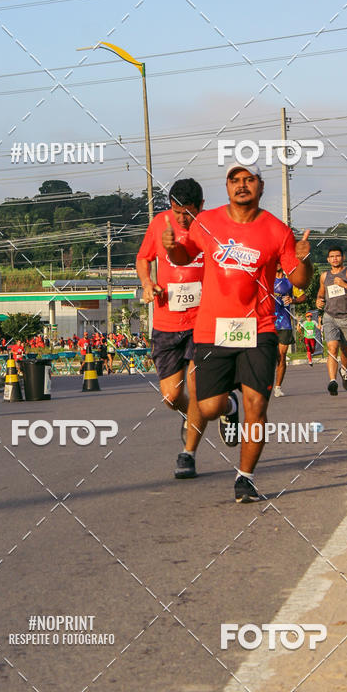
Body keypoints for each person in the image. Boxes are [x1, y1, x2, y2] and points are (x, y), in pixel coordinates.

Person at [162, 162, 312, 502]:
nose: (241, 185)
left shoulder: (277, 231)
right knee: (210, 406)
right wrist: (172, 248)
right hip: (213, 330)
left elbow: (300, 282)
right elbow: (186, 255)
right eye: (235, 180)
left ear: (260, 186)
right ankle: (228, 407)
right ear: (227, 187)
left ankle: (245, 478)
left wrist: (304, 259)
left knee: (257, 404)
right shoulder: (208, 221)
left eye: (249, 180)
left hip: (259, 328)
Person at [136, 178, 239, 481]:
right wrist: (146, 283)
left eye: (189, 212)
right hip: (166, 324)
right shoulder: (159, 224)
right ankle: (228, 405)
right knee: (171, 397)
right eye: (177, 211)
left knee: (198, 391)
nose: (183, 218)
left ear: (201, 207)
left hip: (202, 322)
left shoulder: (211, 227)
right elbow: (143, 258)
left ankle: (188, 454)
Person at [316, 246, 347, 396]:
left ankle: (344, 370)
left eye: (338, 256)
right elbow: (321, 293)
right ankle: (332, 381)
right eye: (332, 256)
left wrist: (344, 285)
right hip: (330, 317)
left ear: (343, 258)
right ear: (328, 259)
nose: (335, 258)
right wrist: (318, 301)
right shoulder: (324, 276)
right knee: (332, 347)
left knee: (346, 351)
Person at [273, 265, 304, 396]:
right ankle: (264, 385)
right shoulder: (265, 279)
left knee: (281, 356)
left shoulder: (290, 281)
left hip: (284, 323)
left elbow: (303, 297)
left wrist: (293, 300)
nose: (278, 264)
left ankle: (278, 387)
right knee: (267, 357)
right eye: (276, 261)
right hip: (267, 322)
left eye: (280, 261)